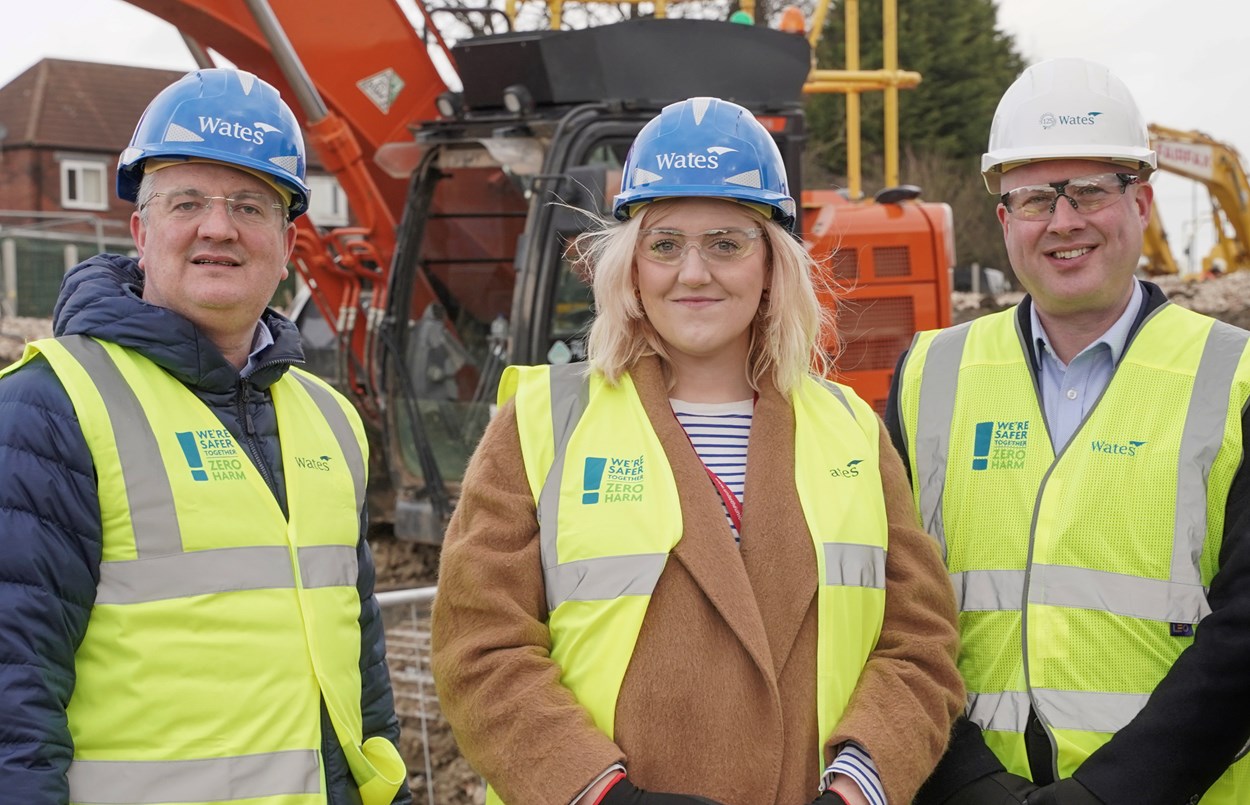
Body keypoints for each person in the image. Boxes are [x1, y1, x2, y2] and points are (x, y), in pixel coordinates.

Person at [431, 96, 964, 805]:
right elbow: (480, 648)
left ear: (772, 265)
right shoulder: (540, 424)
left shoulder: (851, 432)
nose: (693, 272)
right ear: (632, 267)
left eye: (725, 242)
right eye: (666, 244)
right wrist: (597, 791)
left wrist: (859, 786)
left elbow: (920, 642)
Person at [0, 68, 410, 805]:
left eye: (248, 205)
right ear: (141, 229)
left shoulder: (330, 417)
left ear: (287, 243)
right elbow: (10, 695)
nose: (217, 227)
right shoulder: (52, 406)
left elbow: (362, 681)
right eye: (187, 202)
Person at [887, 58, 1250, 805]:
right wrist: (967, 780)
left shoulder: (1235, 377)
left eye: (1089, 190)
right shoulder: (928, 374)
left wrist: (1112, 793)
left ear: (1142, 201)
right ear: (1003, 220)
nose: (1063, 220)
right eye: (1033, 197)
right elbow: (885, 605)